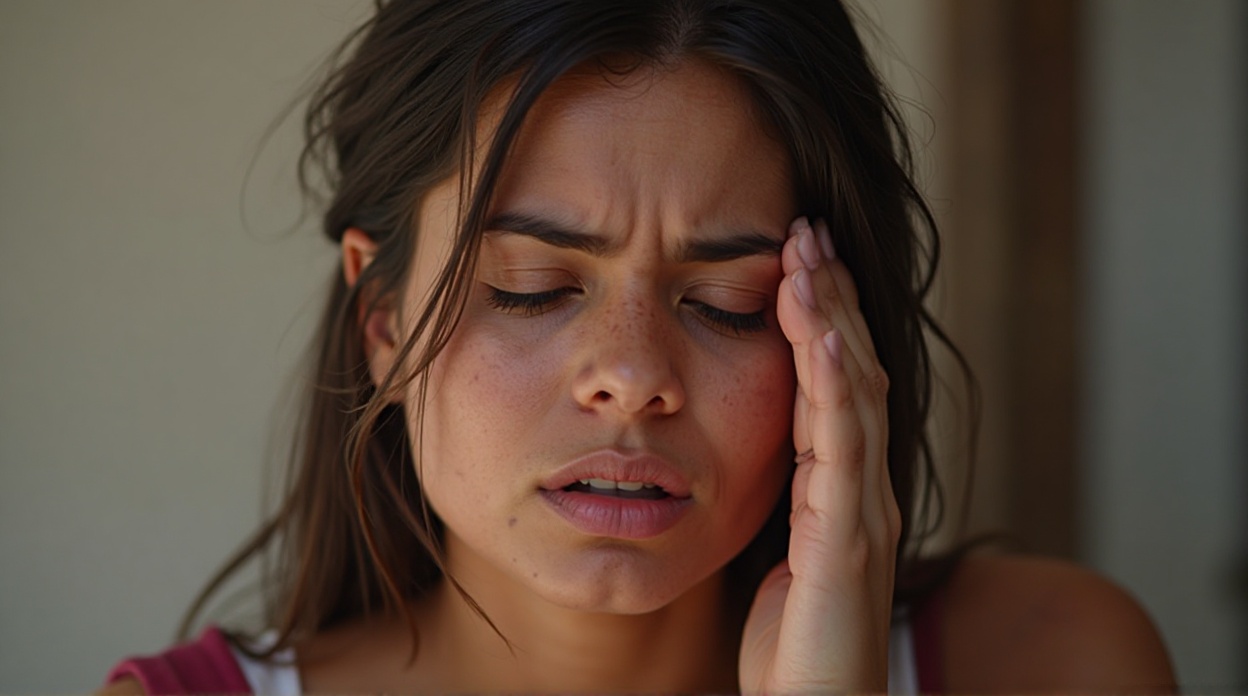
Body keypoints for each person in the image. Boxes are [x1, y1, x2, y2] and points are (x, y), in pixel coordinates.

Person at [100, 0, 1176, 693]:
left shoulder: (1058, 662)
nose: (633, 376)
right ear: (382, 321)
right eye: (533, 289)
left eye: (726, 303)